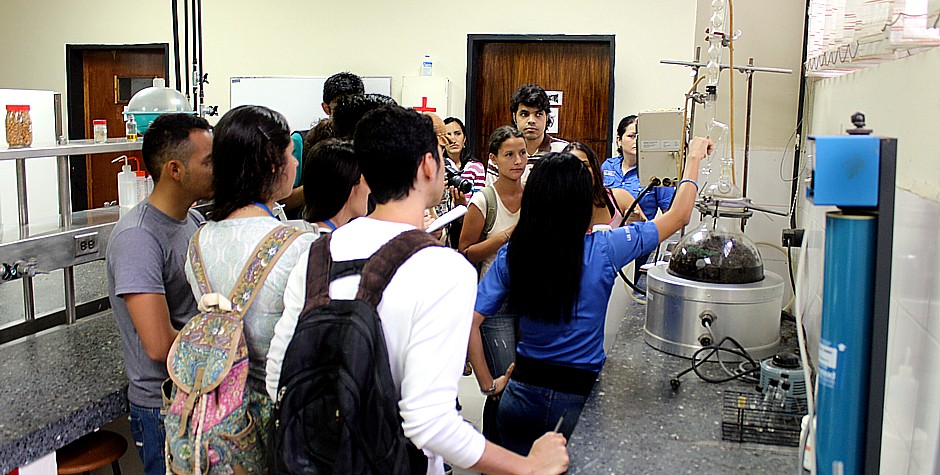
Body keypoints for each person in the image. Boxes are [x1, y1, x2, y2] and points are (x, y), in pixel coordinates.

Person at [271, 105, 569, 475]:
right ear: (429, 166)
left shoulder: (316, 253)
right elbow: (430, 422)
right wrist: (528, 465)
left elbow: (278, 377)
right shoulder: (443, 269)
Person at [468, 138, 713, 455]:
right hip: (576, 403)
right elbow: (680, 216)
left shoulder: (515, 253)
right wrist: (693, 158)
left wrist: (489, 385)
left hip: (520, 399)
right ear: (582, 201)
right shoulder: (606, 247)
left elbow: (469, 323)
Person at [184, 106, 316, 424]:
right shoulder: (300, 245)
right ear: (274, 165)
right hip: (284, 412)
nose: (296, 162)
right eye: (291, 154)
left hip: (220, 413)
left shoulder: (198, 242)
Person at [106, 113, 214, 475]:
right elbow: (158, 344)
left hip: (195, 394)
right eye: (208, 161)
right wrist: (223, 341)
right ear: (175, 169)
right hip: (163, 406)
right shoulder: (138, 238)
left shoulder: (193, 221)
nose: (217, 168)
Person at [458, 126, 527, 444]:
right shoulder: (483, 201)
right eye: (509, 154)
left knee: (524, 380)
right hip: (493, 302)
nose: (517, 161)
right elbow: (465, 252)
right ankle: (493, 453)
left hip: (527, 299)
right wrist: (503, 237)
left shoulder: (533, 195)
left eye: (523, 153)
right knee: (504, 383)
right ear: (493, 160)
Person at [602, 115, 676, 279]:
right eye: (631, 136)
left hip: (638, 244)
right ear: (619, 140)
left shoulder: (657, 173)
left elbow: (670, 215)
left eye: (641, 137)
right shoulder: (608, 166)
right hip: (606, 242)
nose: (636, 141)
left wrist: (643, 221)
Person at [283, 72, 366, 217]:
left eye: (354, 107)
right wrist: (323, 180)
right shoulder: (300, 141)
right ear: (326, 108)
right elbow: (284, 202)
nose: (348, 115)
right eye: (341, 107)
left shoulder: (364, 143)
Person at [486, 84, 568, 186]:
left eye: (538, 114)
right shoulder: (500, 152)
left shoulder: (564, 151)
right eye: (524, 114)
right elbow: (492, 196)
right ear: (515, 117)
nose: (531, 121)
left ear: (547, 117)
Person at [562, 141, 643, 231]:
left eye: (585, 165)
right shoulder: (554, 205)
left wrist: (638, 223)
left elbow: (649, 237)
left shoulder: (620, 198)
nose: (579, 171)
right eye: (572, 166)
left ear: (594, 167)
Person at [301, 138, 371, 237]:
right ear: (350, 186)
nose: (370, 190)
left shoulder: (303, 238)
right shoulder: (334, 248)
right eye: (366, 181)